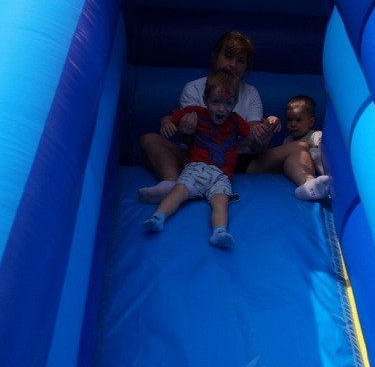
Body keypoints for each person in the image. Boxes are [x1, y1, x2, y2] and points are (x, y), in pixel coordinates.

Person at [138, 30, 330, 204]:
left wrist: (262, 138)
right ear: (215, 56)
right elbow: (188, 137)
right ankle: (170, 182)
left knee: (300, 146)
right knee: (149, 139)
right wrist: (185, 132)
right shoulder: (194, 88)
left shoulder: (250, 93)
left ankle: (308, 185)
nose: (232, 65)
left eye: (240, 61)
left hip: (240, 160)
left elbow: (254, 140)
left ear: (246, 66)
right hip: (197, 159)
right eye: (228, 56)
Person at [143, 69, 252, 248]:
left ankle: (219, 232)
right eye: (215, 102)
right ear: (205, 100)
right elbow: (169, 117)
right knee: (179, 191)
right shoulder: (196, 113)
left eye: (228, 103)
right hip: (196, 167)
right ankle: (158, 217)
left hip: (222, 175)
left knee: (221, 201)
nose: (222, 109)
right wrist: (167, 122)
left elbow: (251, 135)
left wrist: (263, 128)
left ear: (235, 102)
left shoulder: (235, 121)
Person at [282, 94, 325, 176]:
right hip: (300, 172)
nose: (293, 124)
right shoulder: (288, 141)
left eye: (298, 120)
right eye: (289, 120)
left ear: (311, 122)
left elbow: (325, 156)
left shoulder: (316, 136)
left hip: (319, 171)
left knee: (315, 153)